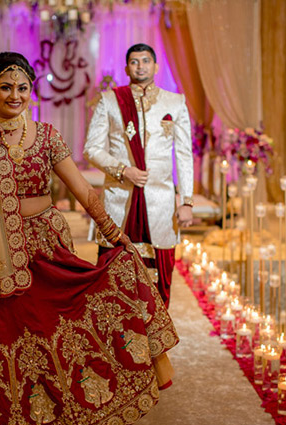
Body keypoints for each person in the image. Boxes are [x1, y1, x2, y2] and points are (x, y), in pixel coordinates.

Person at [0, 52, 178, 425]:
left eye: (22, 88)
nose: (14, 96)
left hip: (45, 247)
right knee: (3, 336)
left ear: (30, 91)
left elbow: (83, 190)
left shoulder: (47, 136)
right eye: (5, 87)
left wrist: (114, 233)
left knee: (54, 330)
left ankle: (62, 423)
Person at [84, 43, 194, 307]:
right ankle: (114, 333)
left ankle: (157, 335)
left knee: (160, 275)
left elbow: (184, 154)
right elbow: (91, 148)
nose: (140, 66)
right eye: (135, 61)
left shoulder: (175, 102)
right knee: (112, 273)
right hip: (120, 199)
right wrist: (123, 170)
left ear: (155, 66)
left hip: (161, 201)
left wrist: (187, 202)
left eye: (146, 61)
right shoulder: (110, 100)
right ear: (127, 68)